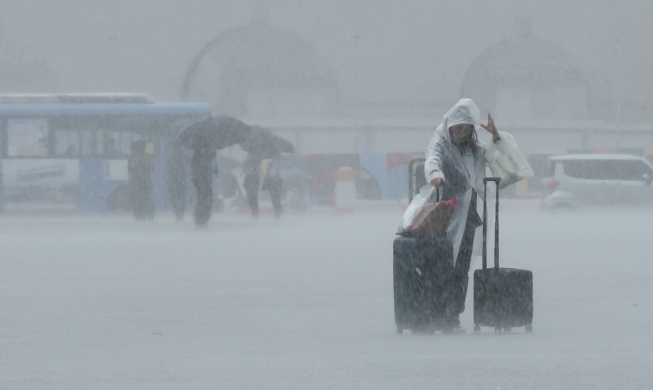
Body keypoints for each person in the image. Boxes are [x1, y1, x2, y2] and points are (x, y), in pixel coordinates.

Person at [424, 98, 502, 331]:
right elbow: (432, 157)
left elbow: (502, 160)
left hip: (468, 215)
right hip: (443, 212)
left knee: (462, 266)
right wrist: (435, 175)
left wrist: (496, 136)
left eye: (466, 129)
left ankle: (453, 314)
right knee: (440, 264)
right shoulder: (441, 141)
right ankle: (437, 311)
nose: (461, 132)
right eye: (458, 128)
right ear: (450, 127)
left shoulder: (474, 149)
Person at [191, 140, 216, 228]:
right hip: (202, 181)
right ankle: (201, 220)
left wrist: (211, 159)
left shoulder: (202, 153)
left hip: (204, 181)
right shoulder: (199, 153)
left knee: (204, 200)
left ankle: (202, 220)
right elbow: (200, 165)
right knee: (203, 200)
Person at [127, 140, 155, 220]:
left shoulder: (133, 157)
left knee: (138, 200)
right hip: (143, 183)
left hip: (138, 183)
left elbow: (131, 170)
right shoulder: (143, 157)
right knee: (145, 200)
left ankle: (140, 215)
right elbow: (149, 168)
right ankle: (146, 215)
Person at [166, 143, 187, 221]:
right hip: (179, 180)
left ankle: (178, 213)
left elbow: (166, 162)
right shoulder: (181, 154)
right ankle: (180, 213)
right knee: (180, 197)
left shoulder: (173, 154)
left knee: (175, 197)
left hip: (175, 180)